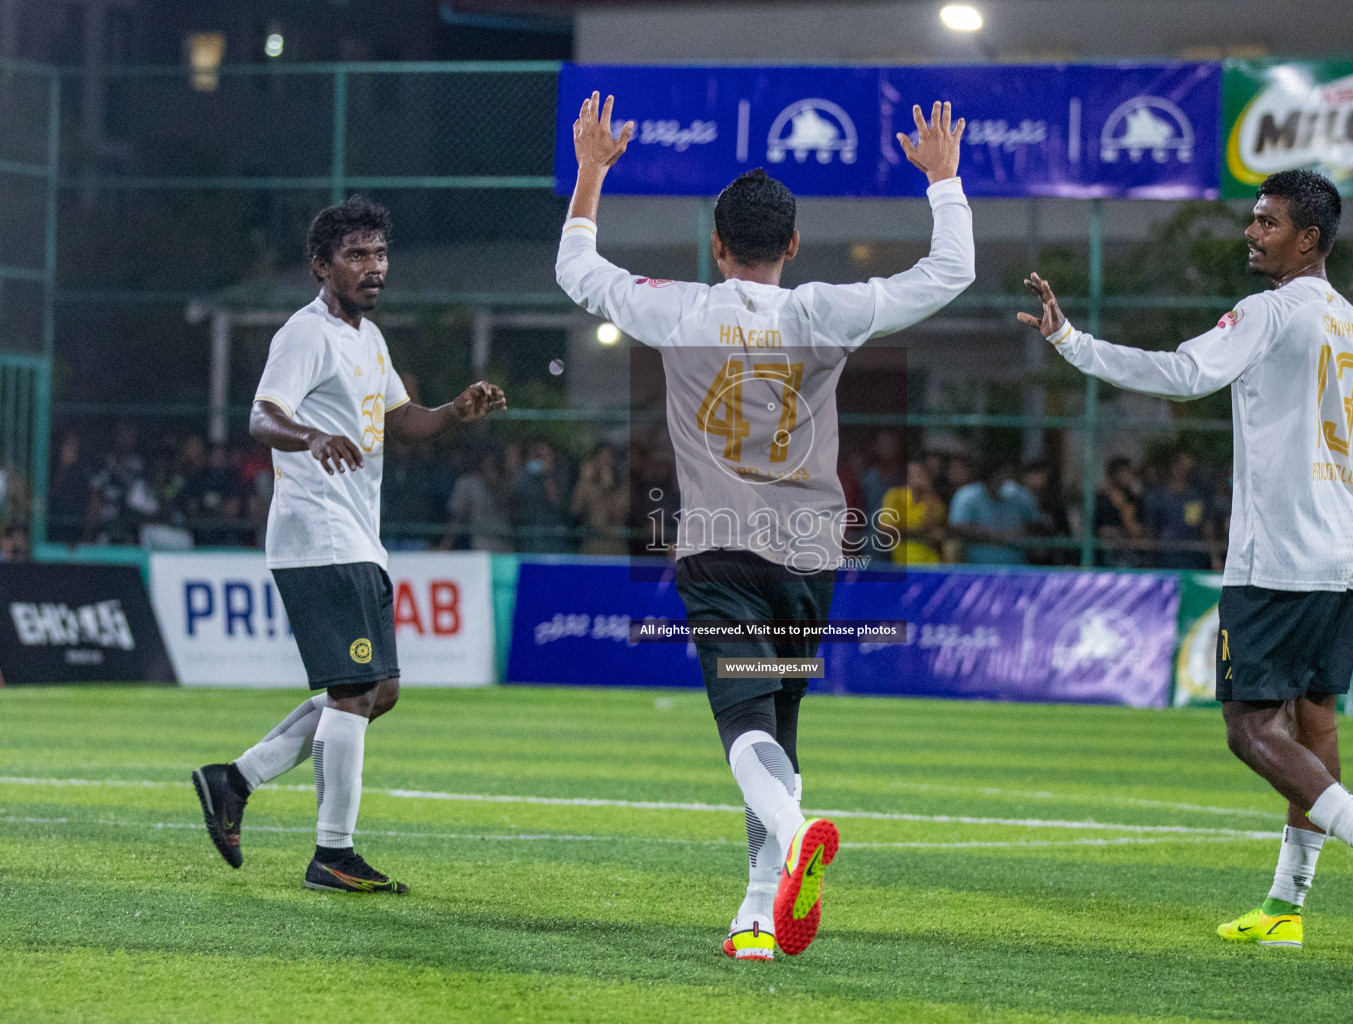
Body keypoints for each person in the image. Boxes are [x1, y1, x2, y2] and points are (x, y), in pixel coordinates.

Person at [556, 92, 972, 958]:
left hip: (717, 551)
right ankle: (754, 910)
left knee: (742, 727)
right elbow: (948, 273)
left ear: (716, 245)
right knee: (777, 721)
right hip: (812, 557)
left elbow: (577, 269)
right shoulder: (822, 309)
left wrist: (593, 171)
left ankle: (793, 838)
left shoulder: (677, 307)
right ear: (792, 244)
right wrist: (943, 181)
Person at [1018, 169, 1353, 949]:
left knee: (1249, 731)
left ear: (1308, 240)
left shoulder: (1271, 313)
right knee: (1314, 724)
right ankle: (1286, 906)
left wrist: (1070, 342)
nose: (1252, 231)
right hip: (1344, 564)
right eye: (1253, 218)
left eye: (1268, 222)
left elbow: (1183, 374)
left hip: (1276, 558)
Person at [192, 196, 506, 894]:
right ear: (321, 265)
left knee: (378, 690)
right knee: (355, 688)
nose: (374, 267)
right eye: (357, 255)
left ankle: (233, 780)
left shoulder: (368, 339)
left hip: (356, 535)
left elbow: (406, 421)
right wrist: (309, 436)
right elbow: (261, 414)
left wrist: (457, 410)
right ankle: (332, 853)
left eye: (380, 253)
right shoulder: (306, 335)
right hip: (318, 531)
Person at [948, 458, 1040, 564]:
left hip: (1016, 565)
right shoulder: (967, 495)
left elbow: (1037, 524)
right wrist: (995, 536)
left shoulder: (1018, 494)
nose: (1001, 479)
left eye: (1005, 475)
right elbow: (956, 526)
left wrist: (1024, 533)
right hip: (978, 568)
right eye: (998, 475)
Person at [1141, 451, 1218, 570]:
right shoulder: (1157, 497)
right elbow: (1150, 531)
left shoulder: (1196, 497)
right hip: (1164, 560)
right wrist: (1149, 559)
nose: (1188, 469)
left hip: (1194, 560)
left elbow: (1207, 529)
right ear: (1174, 468)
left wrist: (1214, 558)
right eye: (1183, 465)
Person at [880, 459, 947, 564]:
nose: (918, 477)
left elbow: (935, 532)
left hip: (930, 564)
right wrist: (921, 533)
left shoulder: (935, 502)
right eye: (913, 473)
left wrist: (928, 493)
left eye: (921, 473)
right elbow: (886, 531)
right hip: (903, 564)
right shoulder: (894, 496)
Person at [570, 443, 629, 555]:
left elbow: (618, 517)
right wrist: (583, 480)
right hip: (591, 545)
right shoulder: (587, 486)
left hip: (615, 546)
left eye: (607, 458)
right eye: (600, 458)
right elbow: (575, 511)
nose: (603, 463)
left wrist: (608, 489)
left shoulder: (621, 489)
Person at [1093, 456, 1145, 567]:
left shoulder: (1134, 500)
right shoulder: (1100, 500)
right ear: (1114, 475)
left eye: (1130, 473)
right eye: (1125, 472)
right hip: (1104, 560)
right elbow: (1099, 531)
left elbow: (1137, 531)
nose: (1129, 477)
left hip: (1130, 559)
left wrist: (1123, 508)